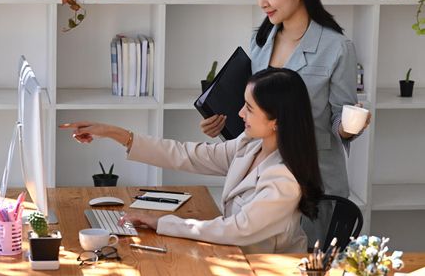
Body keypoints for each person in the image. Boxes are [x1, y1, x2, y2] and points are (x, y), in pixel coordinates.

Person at [199, 0, 371, 244]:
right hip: (263, 178)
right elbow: (258, 109)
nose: (262, 3)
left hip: (311, 181)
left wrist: (347, 126)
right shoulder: (260, 39)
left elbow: (337, 122)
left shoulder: (337, 48)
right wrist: (224, 123)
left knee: (305, 263)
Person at [61, 68, 323, 253]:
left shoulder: (283, 180)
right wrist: (112, 132)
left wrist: (159, 221)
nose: (240, 113)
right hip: (233, 255)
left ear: (276, 120)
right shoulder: (250, 144)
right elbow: (187, 155)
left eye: (250, 108)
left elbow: (235, 230)